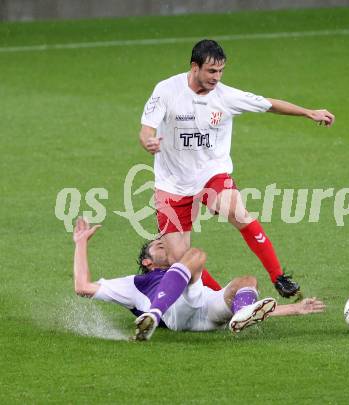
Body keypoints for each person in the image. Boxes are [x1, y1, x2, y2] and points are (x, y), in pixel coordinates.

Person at [139, 39, 335, 298]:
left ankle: (278, 277)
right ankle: (221, 299)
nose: (216, 77)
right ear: (194, 67)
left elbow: (269, 104)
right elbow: (146, 129)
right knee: (180, 259)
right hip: (172, 183)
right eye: (211, 71)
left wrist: (309, 112)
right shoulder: (166, 90)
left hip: (212, 173)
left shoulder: (225, 96)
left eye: (221, 71)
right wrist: (149, 142)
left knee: (237, 210)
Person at [73, 218, 325, 341]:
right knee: (195, 255)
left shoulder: (186, 269)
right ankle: (154, 314)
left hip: (206, 314)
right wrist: (81, 242)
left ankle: (237, 318)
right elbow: (82, 286)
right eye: (159, 246)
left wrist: (294, 309)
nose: (165, 244)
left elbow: (250, 306)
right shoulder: (136, 283)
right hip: (175, 314)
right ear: (147, 263)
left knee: (246, 281)